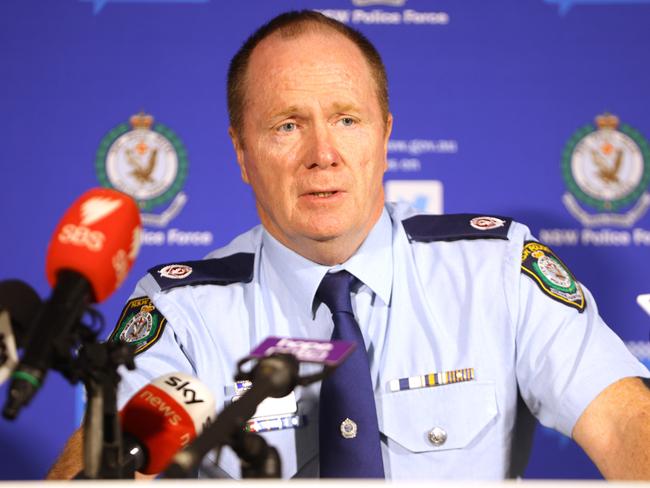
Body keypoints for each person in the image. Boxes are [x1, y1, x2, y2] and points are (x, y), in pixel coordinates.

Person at [48, 10, 650, 480]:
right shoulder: (182, 312)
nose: (322, 154)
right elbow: (103, 460)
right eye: (287, 125)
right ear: (241, 153)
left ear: (384, 138)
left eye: (346, 119)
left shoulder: (497, 271)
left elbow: (625, 423)